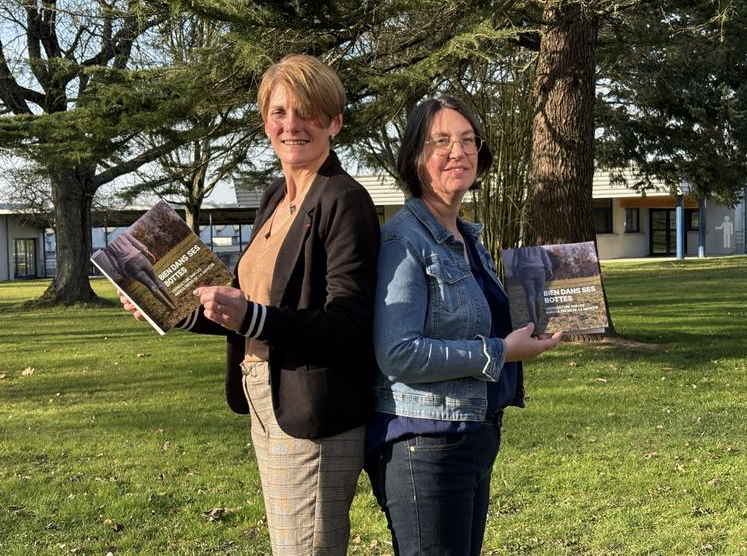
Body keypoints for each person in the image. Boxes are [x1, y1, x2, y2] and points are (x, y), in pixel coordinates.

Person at [120, 54, 380, 555]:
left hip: (314, 412)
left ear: (334, 122)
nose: (292, 125)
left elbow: (349, 324)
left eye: (307, 112)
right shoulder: (273, 199)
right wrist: (165, 307)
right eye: (280, 112)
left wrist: (253, 317)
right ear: (266, 122)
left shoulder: (344, 200)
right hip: (265, 399)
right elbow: (239, 308)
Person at [365, 95, 562, 556]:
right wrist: (500, 352)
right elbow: (398, 353)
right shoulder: (403, 241)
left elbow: (477, 319)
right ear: (415, 157)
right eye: (442, 141)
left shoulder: (467, 237)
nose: (459, 151)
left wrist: (555, 308)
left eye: (468, 140)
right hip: (425, 444)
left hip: (472, 434)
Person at [511, 245, 553, 329]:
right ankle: (539, 318)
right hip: (539, 271)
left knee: (530, 296)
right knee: (538, 296)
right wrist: (549, 270)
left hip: (525, 271)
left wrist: (515, 274)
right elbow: (546, 259)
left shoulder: (518, 248)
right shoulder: (539, 247)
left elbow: (515, 262)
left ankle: (533, 321)